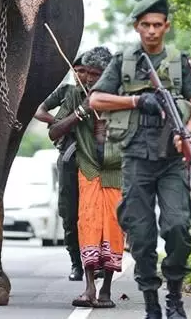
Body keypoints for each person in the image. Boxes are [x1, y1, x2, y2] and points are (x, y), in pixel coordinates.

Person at [89, 0, 191, 319]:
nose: (152, 31)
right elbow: (96, 100)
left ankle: (175, 298)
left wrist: (187, 133)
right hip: (136, 158)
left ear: (167, 27)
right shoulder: (124, 62)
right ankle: (152, 302)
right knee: (141, 235)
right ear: (137, 27)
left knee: (178, 228)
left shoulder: (179, 62)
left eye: (158, 25)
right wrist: (137, 102)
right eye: (146, 25)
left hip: (170, 160)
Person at [47, 46, 123, 309]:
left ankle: (106, 291)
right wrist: (81, 112)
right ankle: (89, 288)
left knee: (113, 227)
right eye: (87, 73)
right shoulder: (75, 93)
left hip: (115, 171)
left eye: (96, 74)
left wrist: (109, 133)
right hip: (88, 168)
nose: (89, 78)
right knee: (87, 223)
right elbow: (54, 132)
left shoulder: (123, 96)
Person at [34, 52, 88, 281]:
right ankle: (76, 263)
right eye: (78, 70)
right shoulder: (66, 92)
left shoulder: (98, 94)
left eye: (87, 71)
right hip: (68, 156)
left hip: (95, 157)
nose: (82, 76)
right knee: (69, 212)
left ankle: (100, 260)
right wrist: (59, 122)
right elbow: (39, 111)